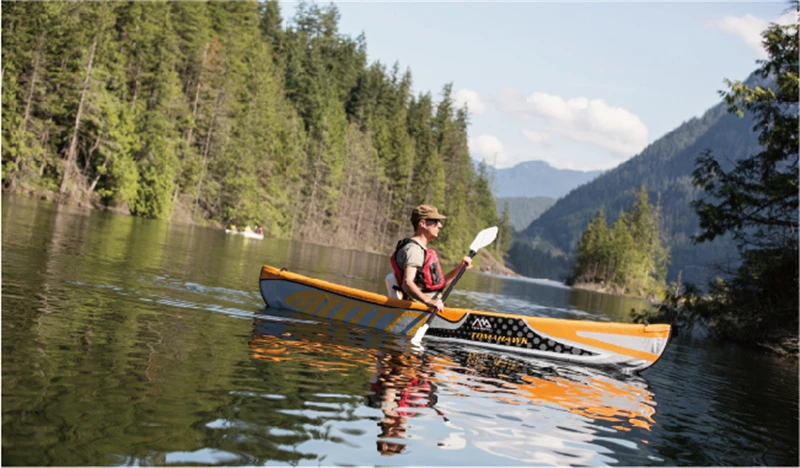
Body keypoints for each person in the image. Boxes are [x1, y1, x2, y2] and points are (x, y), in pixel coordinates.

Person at [390, 204, 472, 312]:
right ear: (423, 224)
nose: (440, 225)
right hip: (421, 310)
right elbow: (407, 283)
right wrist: (429, 301)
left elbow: (437, 286)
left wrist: (460, 269)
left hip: (433, 307)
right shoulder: (414, 250)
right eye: (436, 221)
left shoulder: (420, 249)